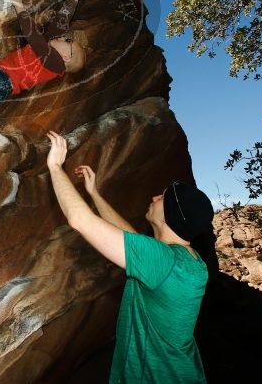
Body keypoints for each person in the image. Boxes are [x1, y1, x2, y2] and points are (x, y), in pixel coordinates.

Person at [45, 130, 217, 384]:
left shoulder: (164, 262)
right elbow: (131, 239)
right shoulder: (188, 261)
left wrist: (55, 166)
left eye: (163, 198)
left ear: (170, 216)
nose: (154, 197)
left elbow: (79, 220)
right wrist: (94, 193)